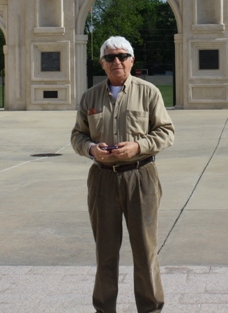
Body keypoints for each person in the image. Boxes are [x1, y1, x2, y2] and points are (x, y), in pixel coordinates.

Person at [71, 36, 175, 313]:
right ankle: (105, 308)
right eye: (110, 57)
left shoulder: (149, 93)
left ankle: (150, 308)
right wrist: (92, 149)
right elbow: (78, 135)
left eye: (122, 56)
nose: (116, 61)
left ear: (132, 60)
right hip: (103, 179)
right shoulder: (90, 97)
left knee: (145, 250)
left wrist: (138, 146)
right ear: (102, 64)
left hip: (141, 176)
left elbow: (166, 132)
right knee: (105, 252)